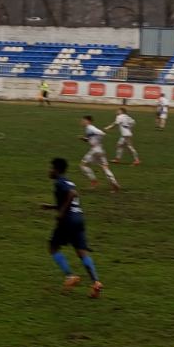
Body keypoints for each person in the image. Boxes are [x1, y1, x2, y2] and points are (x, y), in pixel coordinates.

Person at [42, 157, 101, 298]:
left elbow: (72, 194)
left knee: (53, 247)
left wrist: (61, 212)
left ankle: (70, 276)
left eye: (51, 168)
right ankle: (96, 283)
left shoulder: (59, 182)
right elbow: (71, 198)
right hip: (78, 218)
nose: (49, 171)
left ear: (56, 170)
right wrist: (52, 207)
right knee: (81, 252)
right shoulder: (68, 181)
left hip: (67, 220)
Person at [79, 115, 120, 190]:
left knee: (83, 165)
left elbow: (101, 133)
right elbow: (91, 138)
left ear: (88, 121)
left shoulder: (90, 127)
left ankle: (94, 181)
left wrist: (97, 140)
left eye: (83, 120)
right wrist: (84, 139)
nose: (82, 122)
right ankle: (114, 183)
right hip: (100, 149)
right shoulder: (89, 128)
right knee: (105, 167)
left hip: (95, 150)